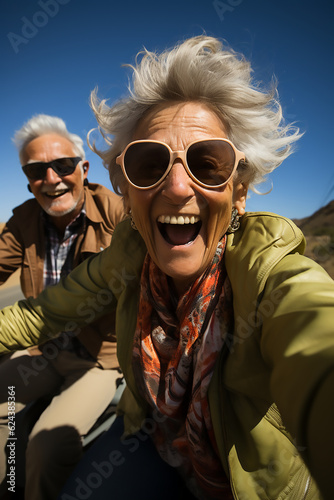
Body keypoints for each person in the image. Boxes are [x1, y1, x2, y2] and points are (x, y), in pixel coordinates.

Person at [0, 37, 333, 500]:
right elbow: (42, 313)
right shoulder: (128, 256)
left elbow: (315, 339)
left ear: (239, 191)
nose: (178, 187)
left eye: (208, 164)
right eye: (149, 163)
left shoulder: (268, 274)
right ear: (127, 191)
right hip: (148, 437)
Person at [0, 114, 125, 500]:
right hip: (44, 350)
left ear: (83, 168)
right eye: (38, 170)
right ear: (28, 179)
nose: (52, 179)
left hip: (100, 359)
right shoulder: (24, 220)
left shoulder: (118, 216)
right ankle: (8, 487)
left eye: (63, 165)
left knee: (46, 445)